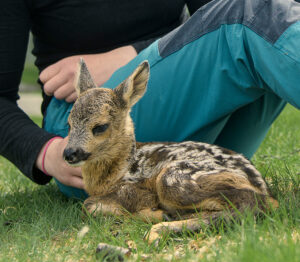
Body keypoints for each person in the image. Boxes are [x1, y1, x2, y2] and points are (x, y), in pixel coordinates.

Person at [0, 0, 299, 199]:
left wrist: (130, 53)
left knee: (265, 21)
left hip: (179, 129)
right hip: (88, 139)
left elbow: (208, 18)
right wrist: (46, 152)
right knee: (250, 19)